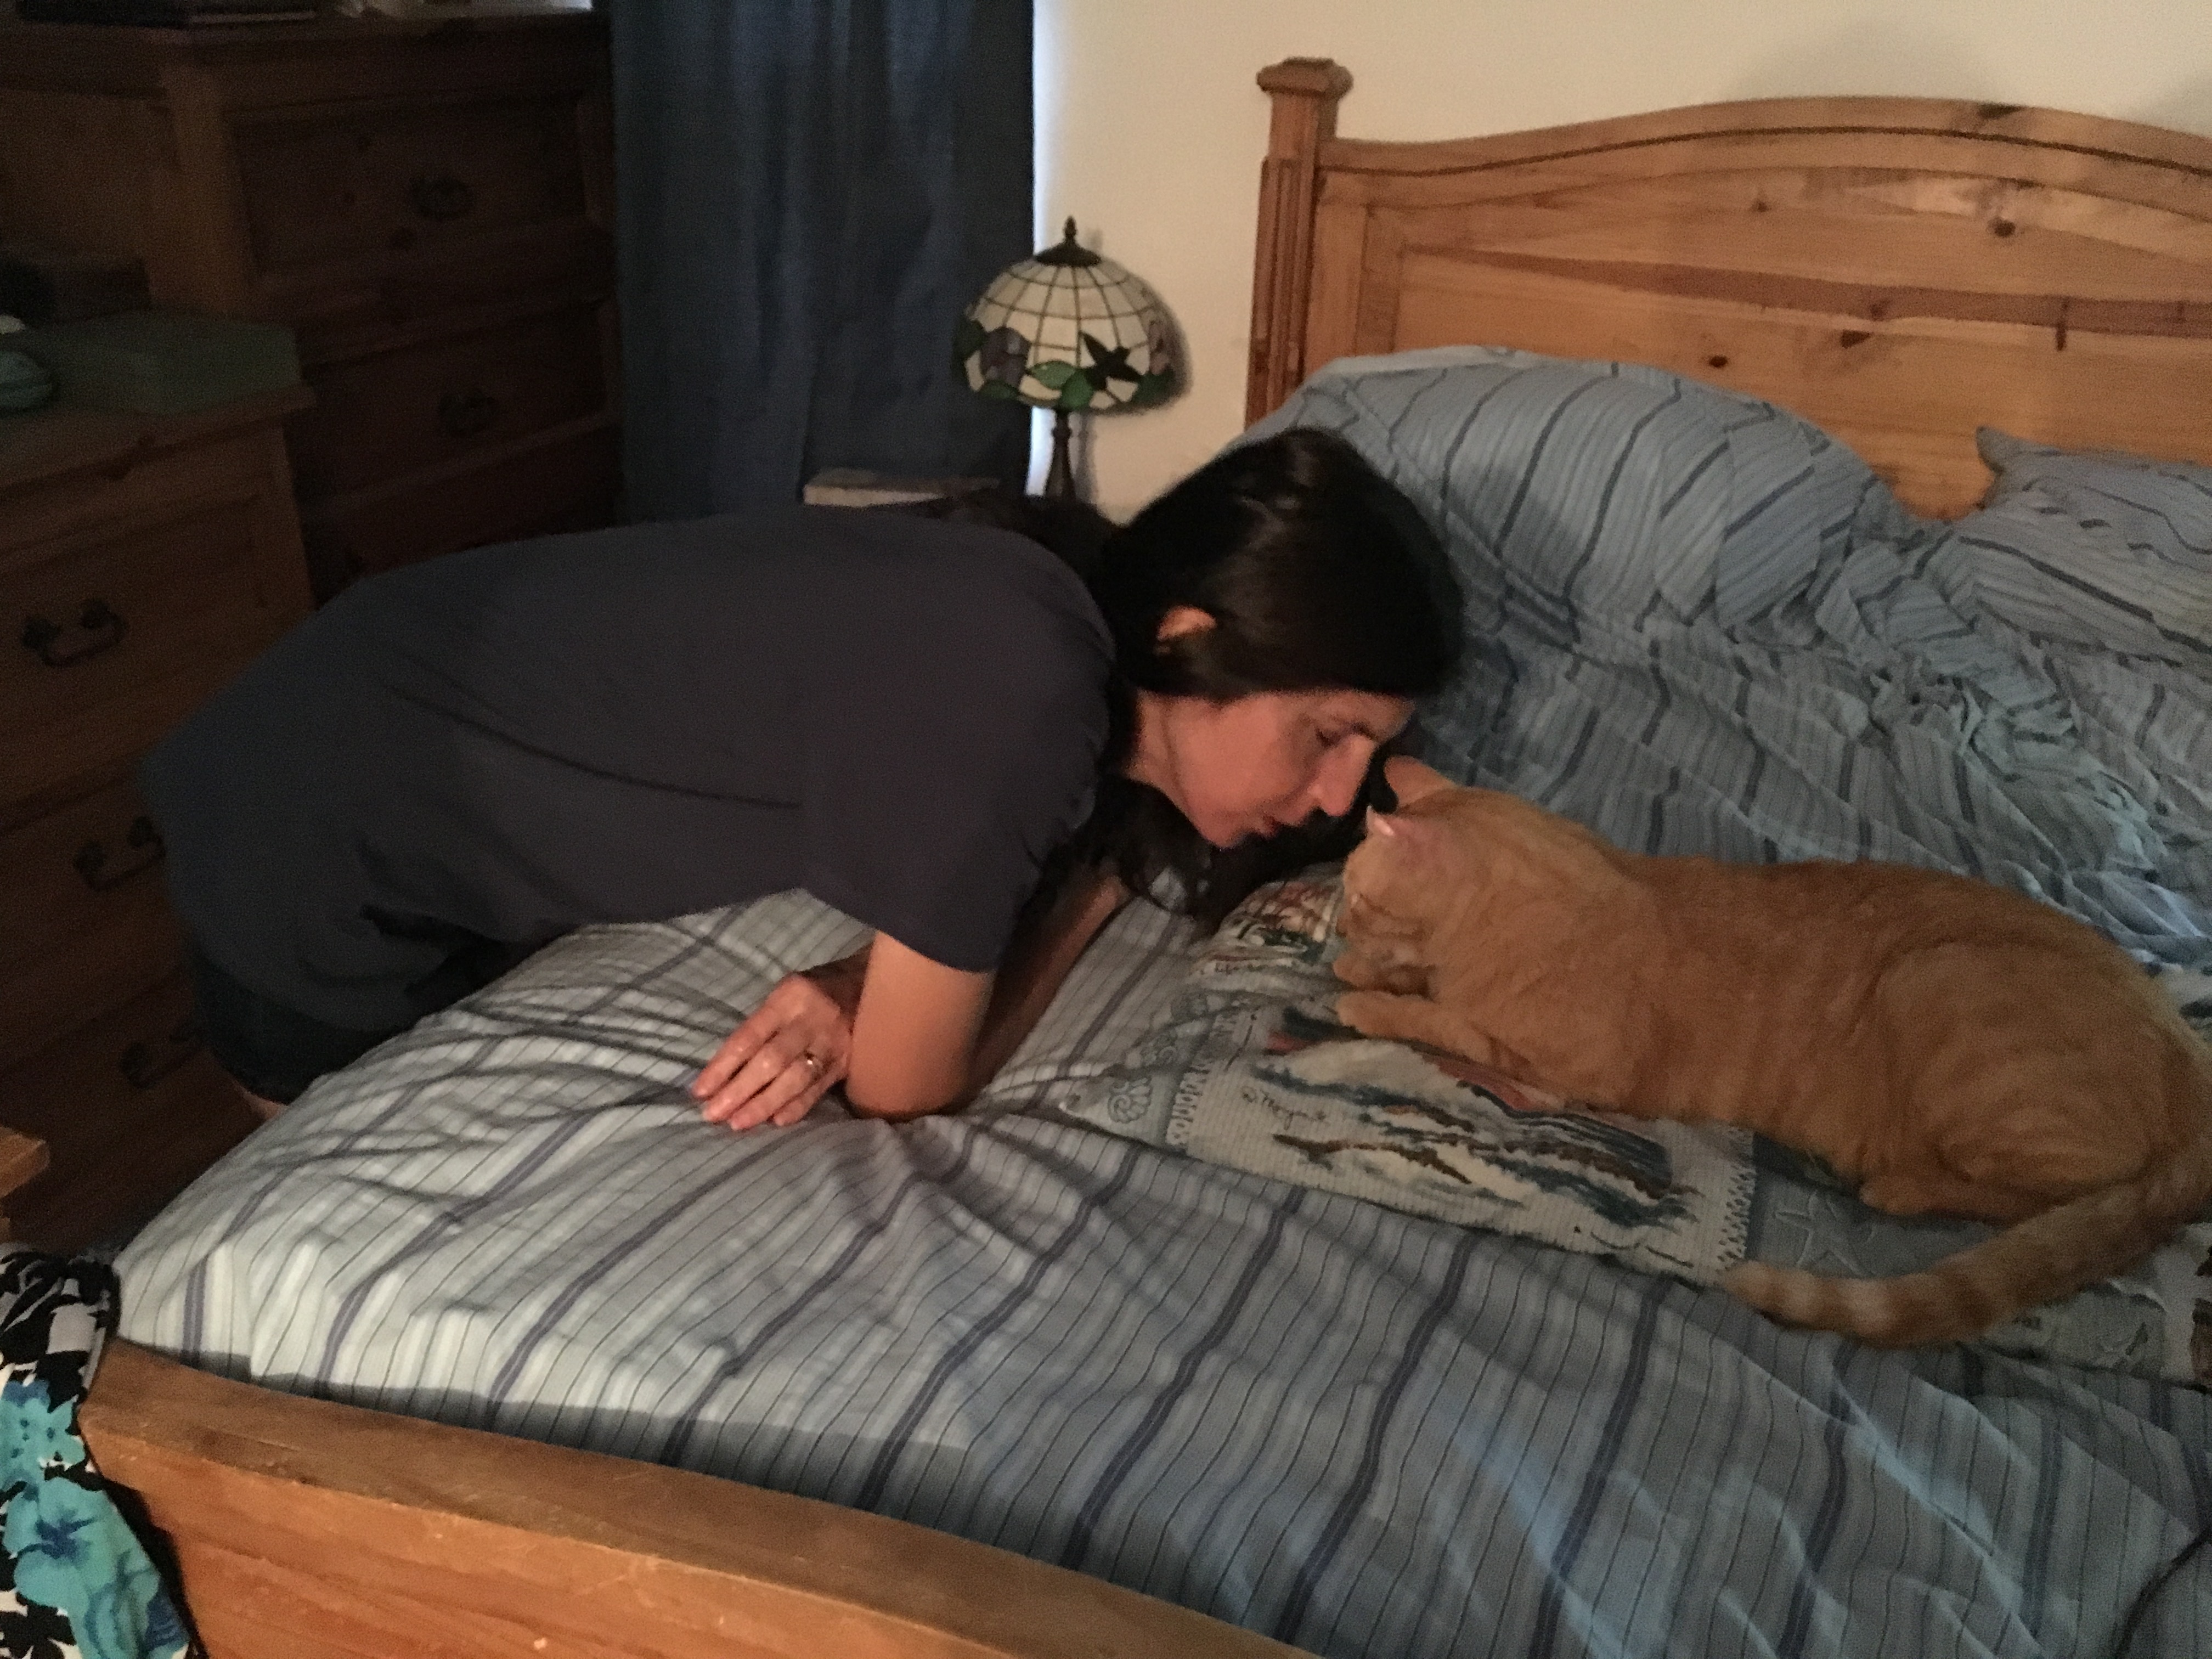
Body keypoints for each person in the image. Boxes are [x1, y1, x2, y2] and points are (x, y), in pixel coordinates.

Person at [140, 427, 1463, 1130]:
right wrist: (1089, 899)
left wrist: (866, 972)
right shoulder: (1025, 694)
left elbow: (952, 842)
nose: (1339, 794)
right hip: (318, 805)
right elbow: (906, 1086)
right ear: (1189, 637)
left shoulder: (1044, 600)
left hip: (402, 709)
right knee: (319, 1174)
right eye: (1326, 733)